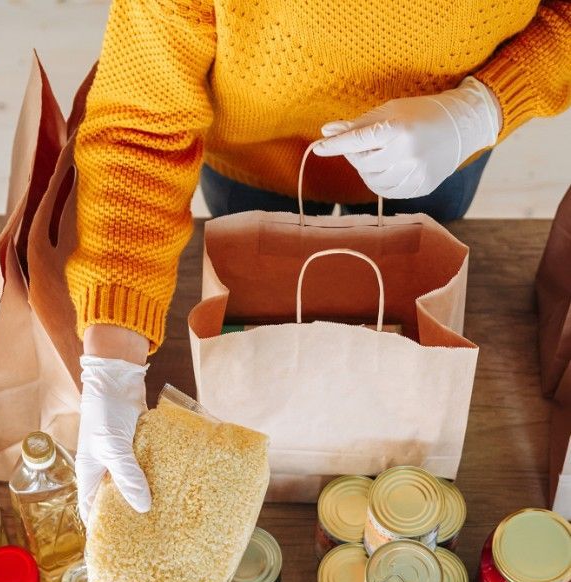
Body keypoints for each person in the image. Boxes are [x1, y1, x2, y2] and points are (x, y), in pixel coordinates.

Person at [68, 0, 571, 521]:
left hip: (442, 149)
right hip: (254, 157)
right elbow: (142, 126)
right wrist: (112, 358)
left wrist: (483, 107)